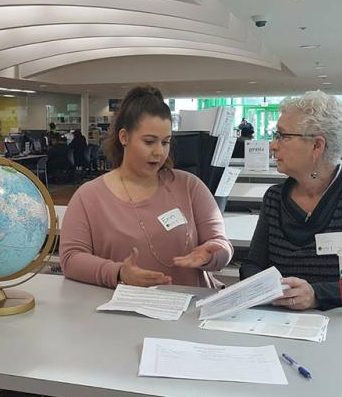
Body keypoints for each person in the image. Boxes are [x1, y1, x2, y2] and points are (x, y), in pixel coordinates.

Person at [60, 85, 233, 289]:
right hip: (125, 312)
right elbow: (71, 259)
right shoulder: (89, 196)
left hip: (191, 309)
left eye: (166, 142)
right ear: (124, 137)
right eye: (149, 142)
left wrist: (212, 254)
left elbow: (221, 244)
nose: (159, 152)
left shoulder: (189, 186)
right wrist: (118, 273)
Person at [239, 91, 342, 310]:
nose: (273, 146)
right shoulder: (275, 198)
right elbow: (253, 264)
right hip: (277, 323)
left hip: (340, 327)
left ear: (317, 146)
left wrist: (316, 295)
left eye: (283, 136)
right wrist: (269, 288)